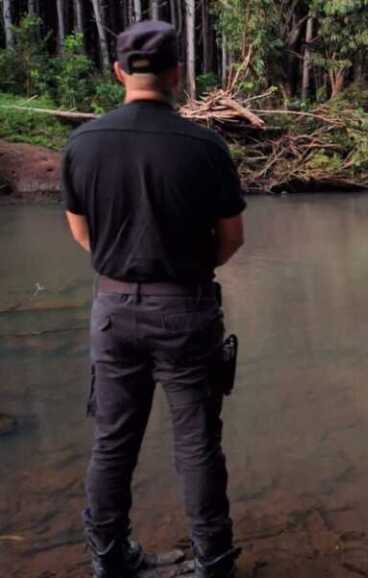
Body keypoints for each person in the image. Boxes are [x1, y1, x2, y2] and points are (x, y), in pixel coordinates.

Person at [61, 20, 245, 578]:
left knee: (113, 441)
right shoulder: (205, 145)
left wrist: (124, 267)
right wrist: (182, 271)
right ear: (177, 74)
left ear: (118, 71)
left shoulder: (82, 143)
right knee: (196, 443)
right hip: (186, 309)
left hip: (113, 311)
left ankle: (110, 556)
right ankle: (213, 560)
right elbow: (231, 240)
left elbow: (80, 233)